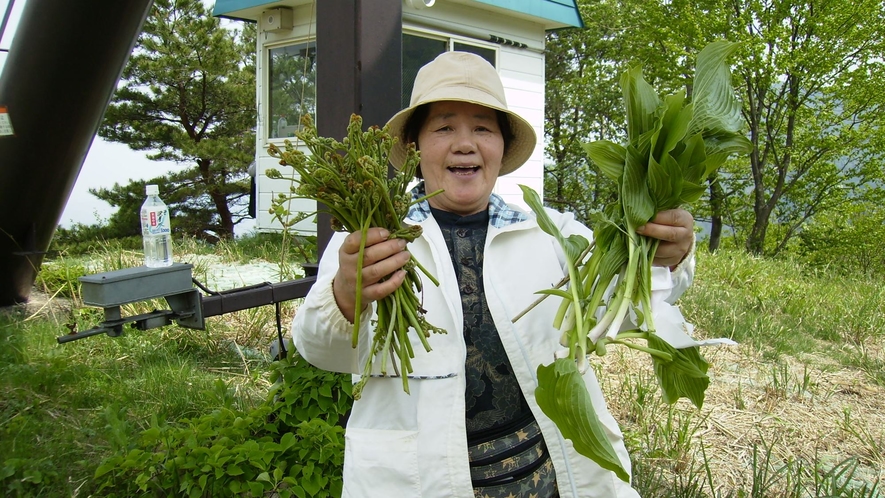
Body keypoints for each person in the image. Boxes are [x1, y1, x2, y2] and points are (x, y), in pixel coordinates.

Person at [291, 51, 696, 498]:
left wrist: (663, 257)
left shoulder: (550, 232)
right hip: (420, 480)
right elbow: (318, 350)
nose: (465, 143)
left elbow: (627, 308)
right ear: (414, 147)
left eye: (483, 128)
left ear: (501, 149)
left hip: (545, 477)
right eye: (444, 127)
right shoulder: (371, 237)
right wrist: (346, 294)